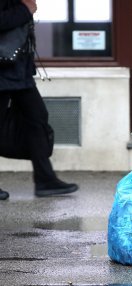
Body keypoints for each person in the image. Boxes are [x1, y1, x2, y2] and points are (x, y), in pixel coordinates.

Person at [0, 0, 79, 199]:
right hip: (3, 70)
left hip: (18, 70)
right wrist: (25, 9)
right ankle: (46, 180)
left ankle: (45, 180)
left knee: (37, 118)